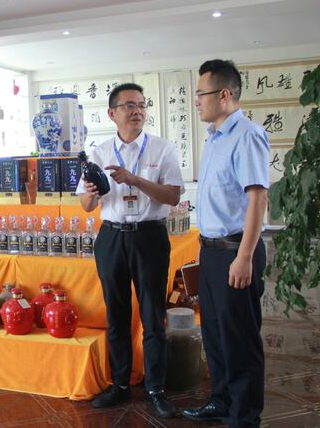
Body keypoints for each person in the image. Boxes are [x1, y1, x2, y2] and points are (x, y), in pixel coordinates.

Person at [77, 83, 184, 418]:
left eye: (141, 105)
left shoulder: (162, 149)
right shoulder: (99, 153)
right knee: (117, 315)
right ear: (112, 113)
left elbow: (173, 196)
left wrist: (134, 179)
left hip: (150, 236)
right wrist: (91, 192)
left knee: (153, 315)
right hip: (111, 237)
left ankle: (155, 389)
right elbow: (86, 205)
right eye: (129, 105)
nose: (137, 111)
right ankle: (120, 384)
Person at [182, 59, 269, 427]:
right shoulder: (215, 137)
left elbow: (257, 199)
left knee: (239, 338)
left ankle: (244, 416)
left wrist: (244, 257)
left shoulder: (246, 135)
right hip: (212, 251)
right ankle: (221, 400)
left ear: (224, 94)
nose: (196, 101)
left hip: (236, 251)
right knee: (215, 333)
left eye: (201, 94)